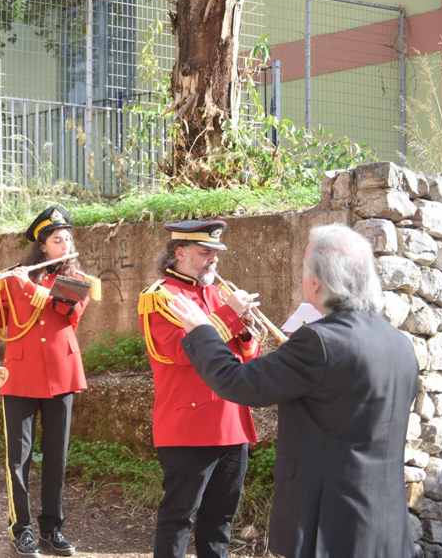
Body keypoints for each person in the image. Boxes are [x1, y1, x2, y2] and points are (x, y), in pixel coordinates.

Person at [170, 223, 419, 558]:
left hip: (331, 526)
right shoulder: (398, 342)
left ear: (316, 282)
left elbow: (238, 383)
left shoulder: (319, 341)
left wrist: (202, 330)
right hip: (387, 526)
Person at [0, 205, 97, 556]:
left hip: (62, 375)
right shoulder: (17, 275)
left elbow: (64, 311)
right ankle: (22, 528)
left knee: (56, 457)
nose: (65, 243)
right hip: (19, 375)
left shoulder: (78, 279)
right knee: (18, 458)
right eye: (58, 239)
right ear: (43, 246)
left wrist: (24, 286)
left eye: (67, 238)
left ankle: (52, 529)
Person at [136, 219, 260, 558]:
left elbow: (246, 357)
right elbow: (176, 351)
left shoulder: (221, 293)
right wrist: (231, 316)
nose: (213, 260)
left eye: (216, 253)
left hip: (231, 420)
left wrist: (247, 331)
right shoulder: (160, 297)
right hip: (189, 424)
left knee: (220, 520)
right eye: (205, 252)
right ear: (179, 252)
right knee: (179, 518)